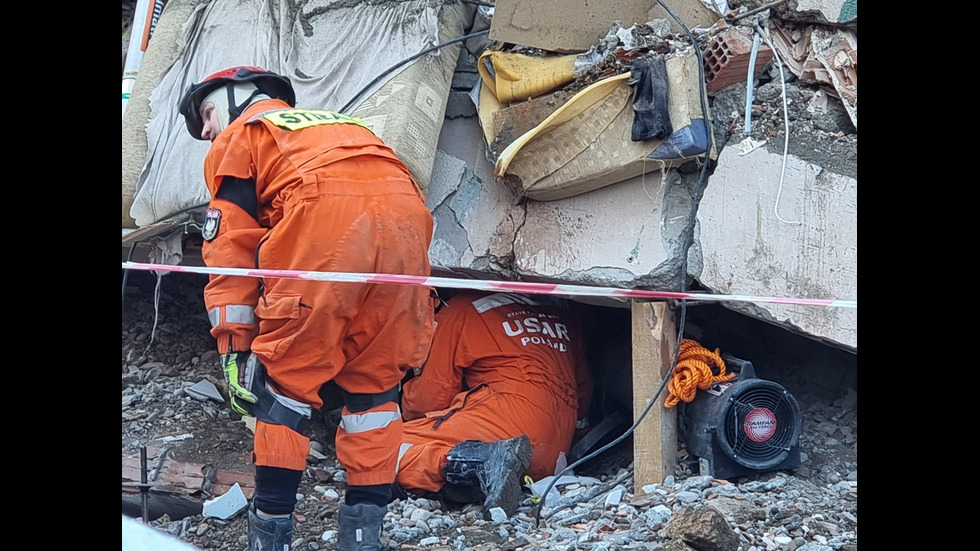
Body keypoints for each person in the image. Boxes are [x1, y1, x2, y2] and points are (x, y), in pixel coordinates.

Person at [178, 66, 435, 551]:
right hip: (406, 235)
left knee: (284, 388)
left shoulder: (244, 134)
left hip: (328, 233)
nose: (207, 130)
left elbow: (230, 248)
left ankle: (270, 533)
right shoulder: (348, 126)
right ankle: (362, 537)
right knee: (374, 393)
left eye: (207, 114)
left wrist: (235, 348)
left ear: (238, 98)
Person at [395, 289, 594, 517]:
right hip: (556, 454)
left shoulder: (462, 309)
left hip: (506, 432)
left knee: (376, 444)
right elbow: (583, 389)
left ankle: (474, 465)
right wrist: (576, 436)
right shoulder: (559, 309)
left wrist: (403, 408)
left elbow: (428, 400)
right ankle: (484, 472)